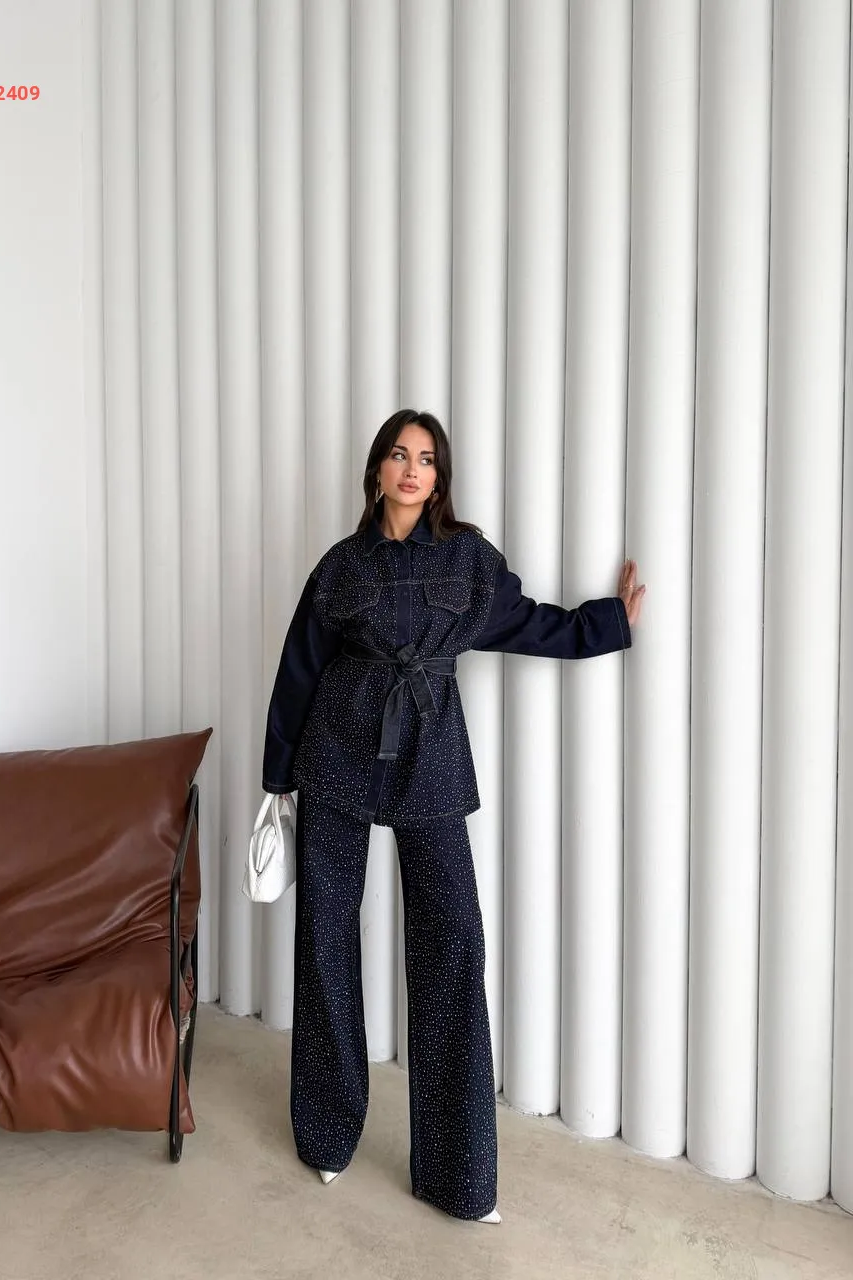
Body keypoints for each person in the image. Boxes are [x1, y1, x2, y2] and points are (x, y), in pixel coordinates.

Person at [261, 409, 645, 1224]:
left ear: (439, 477)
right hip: (334, 754)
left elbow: (530, 621)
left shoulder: (467, 560)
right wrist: (277, 777)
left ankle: (457, 1176)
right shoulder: (339, 567)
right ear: (377, 469)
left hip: (430, 753)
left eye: (427, 458)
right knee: (325, 938)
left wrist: (606, 623)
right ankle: (327, 1135)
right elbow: (298, 671)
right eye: (400, 454)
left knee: (454, 944)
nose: (412, 469)